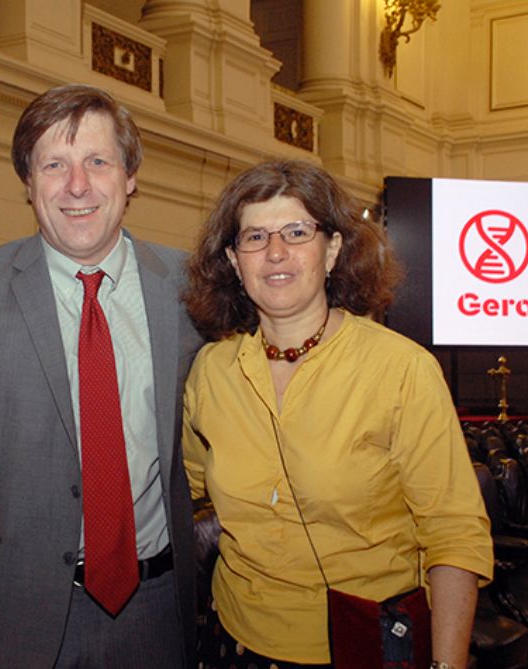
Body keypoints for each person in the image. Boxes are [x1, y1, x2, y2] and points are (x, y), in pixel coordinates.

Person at [0, 84, 203, 669]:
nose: (77, 185)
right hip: (14, 622)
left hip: (158, 614)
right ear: (28, 182)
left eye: (98, 161)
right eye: (54, 165)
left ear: (130, 176)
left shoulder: (190, 291)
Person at [182, 160, 493, 669]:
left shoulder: (402, 369)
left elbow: (454, 534)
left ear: (332, 250)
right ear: (234, 261)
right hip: (235, 641)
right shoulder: (212, 371)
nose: (275, 252)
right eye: (255, 237)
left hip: (364, 644)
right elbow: (190, 485)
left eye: (296, 232)